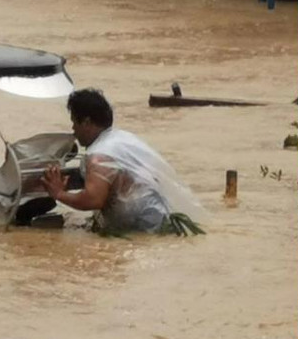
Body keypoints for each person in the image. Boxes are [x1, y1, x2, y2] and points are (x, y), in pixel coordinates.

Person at [41, 88, 205, 234]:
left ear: (87, 122)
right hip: (164, 218)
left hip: (145, 229)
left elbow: (93, 199)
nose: (73, 129)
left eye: (74, 123)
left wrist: (59, 194)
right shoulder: (123, 138)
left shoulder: (98, 156)